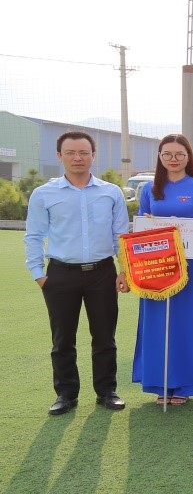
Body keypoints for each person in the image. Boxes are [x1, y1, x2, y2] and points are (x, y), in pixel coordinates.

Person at [25, 131, 130, 415]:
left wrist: (124, 271)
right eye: (70, 152)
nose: (77, 157)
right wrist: (39, 274)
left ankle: (106, 391)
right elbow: (33, 236)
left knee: (105, 336)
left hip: (102, 273)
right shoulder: (44, 194)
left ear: (93, 155)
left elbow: (121, 234)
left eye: (83, 152)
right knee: (62, 339)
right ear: (59, 156)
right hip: (60, 274)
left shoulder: (111, 192)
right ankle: (66, 395)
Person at [132, 134, 193, 405]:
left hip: (192, 266)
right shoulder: (150, 189)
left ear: (188, 157)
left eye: (179, 154)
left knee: (189, 323)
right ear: (160, 158)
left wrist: (192, 231)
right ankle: (160, 382)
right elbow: (141, 224)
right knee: (158, 323)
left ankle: (185, 384)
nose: (173, 159)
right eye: (167, 154)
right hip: (156, 266)